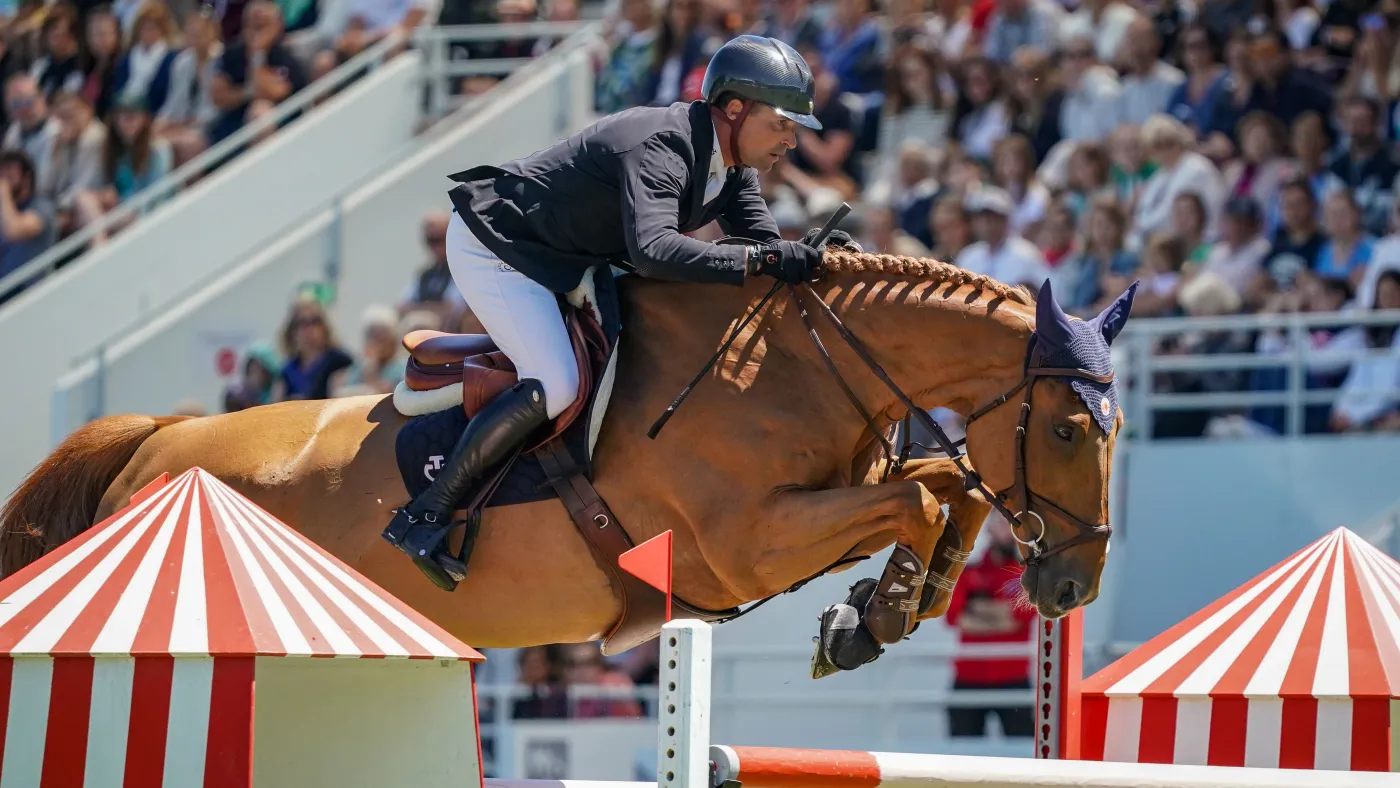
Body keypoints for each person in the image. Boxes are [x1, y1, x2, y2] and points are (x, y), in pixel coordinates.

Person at [382, 36, 841, 585]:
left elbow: (763, 250)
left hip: (568, 258)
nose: (790, 140)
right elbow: (656, 250)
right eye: (783, 124)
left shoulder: (733, 166)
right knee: (556, 382)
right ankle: (426, 512)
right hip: (501, 249)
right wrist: (766, 256)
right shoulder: (661, 144)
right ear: (734, 108)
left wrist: (815, 264)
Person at [944, 513, 1036, 739]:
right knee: (962, 754)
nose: (1009, 532)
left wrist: (975, 607)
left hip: (1013, 678)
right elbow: (954, 618)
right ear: (988, 528)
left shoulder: (1022, 576)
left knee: (1022, 753)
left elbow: (1015, 620)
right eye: (1002, 523)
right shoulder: (967, 573)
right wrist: (1000, 612)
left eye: (1013, 527)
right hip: (968, 677)